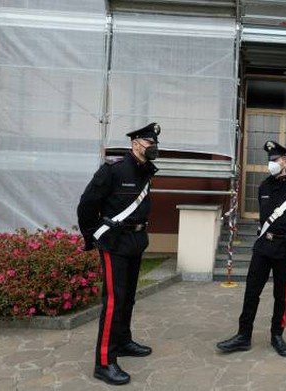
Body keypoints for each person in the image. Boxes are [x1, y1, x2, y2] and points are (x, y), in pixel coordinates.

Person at [77, 122, 160, 385]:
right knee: (114, 301)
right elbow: (87, 205)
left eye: (154, 143)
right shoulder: (112, 170)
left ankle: (123, 341)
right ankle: (104, 362)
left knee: (128, 299)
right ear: (135, 143)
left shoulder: (146, 171)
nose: (153, 147)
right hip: (115, 243)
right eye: (149, 143)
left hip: (136, 241)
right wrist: (93, 236)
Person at [216, 140, 286, 357]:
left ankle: (277, 335)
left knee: (281, 295)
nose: (272, 163)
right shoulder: (264, 187)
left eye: (276, 159)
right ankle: (243, 335)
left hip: (285, 249)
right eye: (269, 160)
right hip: (263, 246)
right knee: (251, 291)